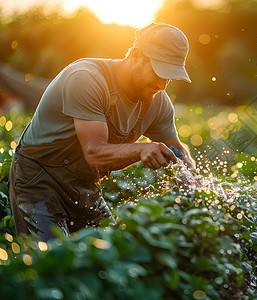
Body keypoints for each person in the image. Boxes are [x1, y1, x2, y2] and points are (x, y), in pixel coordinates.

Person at [9, 22, 196, 241]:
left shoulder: (158, 102)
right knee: (52, 260)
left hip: (85, 186)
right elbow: (94, 153)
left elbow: (180, 153)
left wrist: (195, 183)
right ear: (136, 55)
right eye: (159, 72)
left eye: (170, 77)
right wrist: (141, 149)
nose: (163, 85)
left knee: (111, 258)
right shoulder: (87, 79)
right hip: (39, 180)